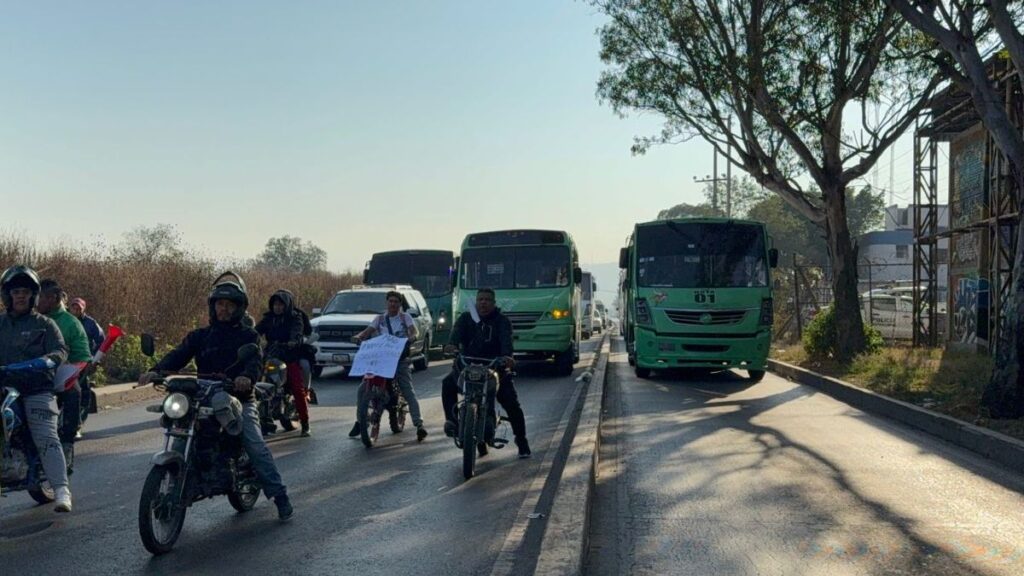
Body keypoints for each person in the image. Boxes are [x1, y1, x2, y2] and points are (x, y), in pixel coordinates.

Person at [137, 274, 293, 521]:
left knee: (254, 444)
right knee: (179, 428)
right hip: (204, 395)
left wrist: (246, 379)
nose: (224, 308)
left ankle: (280, 496)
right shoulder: (201, 335)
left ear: (239, 307)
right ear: (213, 306)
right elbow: (179, 354)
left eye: (229, 304)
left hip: (239, 398)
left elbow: (254, 361)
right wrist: (156, 370)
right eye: (220, 303)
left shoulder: (248, 336)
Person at [0, 265, 73, 512]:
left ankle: (62, 490)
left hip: (35, 388)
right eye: (16, 291)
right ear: (7, 295)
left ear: (33, 295)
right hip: (4, 387)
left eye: (25, 291)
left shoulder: (45, 324)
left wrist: (40, 362)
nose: (20, 295)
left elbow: (60, 351)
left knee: (45, 436)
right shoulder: (0, 324)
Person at [442, 288, 531, 458]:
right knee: (447, 384)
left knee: (512, 404)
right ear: (476, 302)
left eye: (487, 300)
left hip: (494, 368)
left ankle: (522, 440)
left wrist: (507, 357)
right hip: (468, 368)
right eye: (480, 299)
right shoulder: (466, 318)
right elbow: (455, 337)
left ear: (493, 303)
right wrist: (451, 346)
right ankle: (452, 422)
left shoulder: (502, 321)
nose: (483, 302)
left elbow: (507, 342)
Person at [348, 291, 428, 442]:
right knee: (362, 389)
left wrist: (411, 338)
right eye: (390, 301)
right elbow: (366, 332)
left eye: (396, 302)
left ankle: (419, 424)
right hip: (381, 360)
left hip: (399, 361)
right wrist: (358, 337)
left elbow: (414, 331)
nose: (393, 304)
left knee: (407, 390)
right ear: (387, 303)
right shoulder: (379, 319)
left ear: (400, 304)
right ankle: (360, 421)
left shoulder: (405, 318)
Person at [37, 279, 92, 467]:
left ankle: (67, 444)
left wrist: (68, 368)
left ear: (52, 298)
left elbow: (83, 356)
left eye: (40, 298)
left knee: (72, 393)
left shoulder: (70, 323)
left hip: (61, 376)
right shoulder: (30, 320)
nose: (36, 302)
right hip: (34, 375)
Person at [255, 289, 311, 437]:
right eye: (275, 304)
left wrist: (293, 341)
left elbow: (297, 332)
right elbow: (256, 331)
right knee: (252, 378)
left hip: (290, 355)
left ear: (287, 305)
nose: (277, 307)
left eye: (280, 304)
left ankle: (305, 423)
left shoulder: (295, 318)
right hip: (271, 353)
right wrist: (246, 337)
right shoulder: (269, 318)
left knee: (298, 389)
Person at [68, 297, 103, 432]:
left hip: (83, 362)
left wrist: (94, 358)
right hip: (67, 360)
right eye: (73, 307)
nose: (75, 310)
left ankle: (79, 420)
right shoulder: (65, 320)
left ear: (83, 309)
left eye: (78, 308)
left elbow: (101, 341)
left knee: (83, 390)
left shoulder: (90, 323)